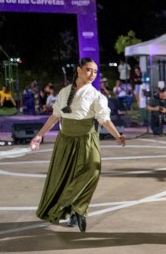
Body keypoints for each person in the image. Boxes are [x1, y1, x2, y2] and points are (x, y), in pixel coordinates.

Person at [30, 58, 126, 232]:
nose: (92, 75)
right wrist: (39, 135)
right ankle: (77, 212)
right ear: (79, 70)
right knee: (64, 177)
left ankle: (73, 206)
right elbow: (54, 117)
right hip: (65, 141)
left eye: (95, 71)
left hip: (87, 139)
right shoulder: (64, 92)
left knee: (92, 171)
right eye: (89, 70)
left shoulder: (96, 95)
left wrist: (117, 136)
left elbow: (104, 119)